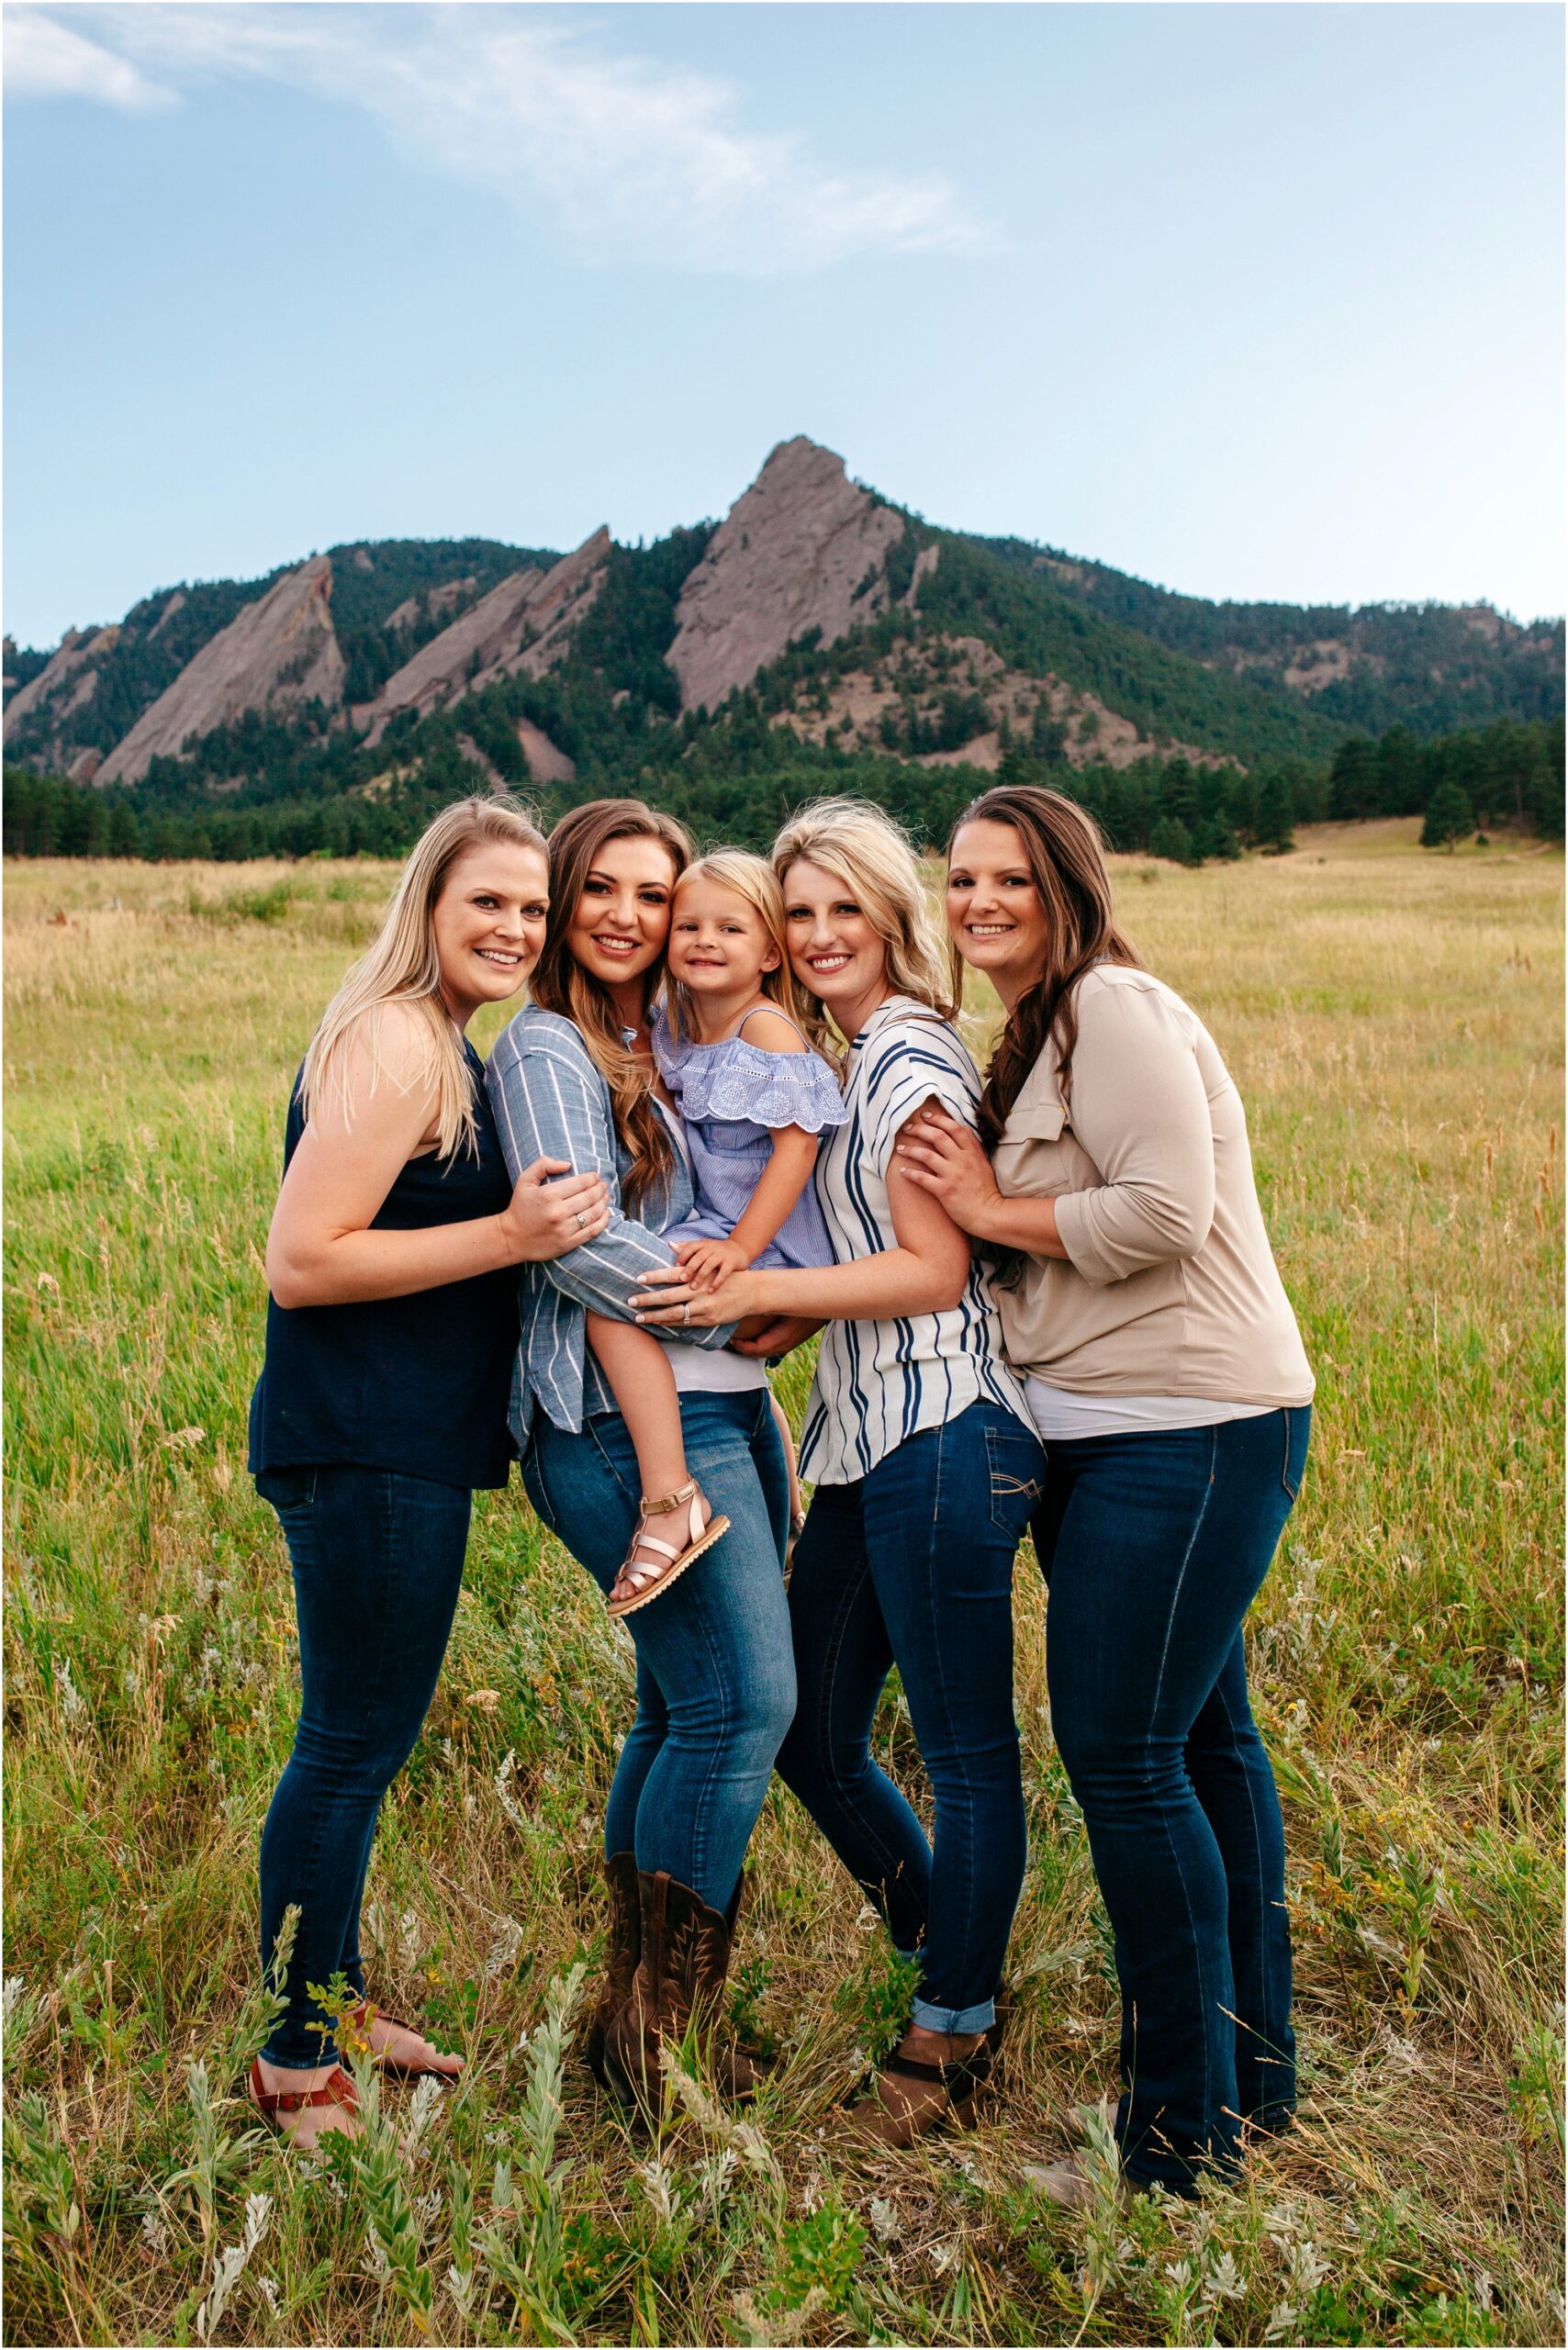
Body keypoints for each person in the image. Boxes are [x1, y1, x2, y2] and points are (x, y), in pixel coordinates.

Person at [898, 781, 1316, 2200]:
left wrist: (983, 1211)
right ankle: (1252, 2086)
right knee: (1202, 1750)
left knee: (1124, 1761)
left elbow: (1162, 1213)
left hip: (1187, 1428)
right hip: (1109, 1434)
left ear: (1069, 885)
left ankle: (1175, 2144)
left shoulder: (1111, 1010)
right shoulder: (1028, 1037)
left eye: (1008, 878)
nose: (979, 903)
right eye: (960, 881)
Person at [632, 800, 1046, 2147]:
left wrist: (752, 1283)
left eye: (839, 912)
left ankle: (956, 2024)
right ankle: (948, 1939)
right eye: (795, 914)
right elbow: (854, 1255)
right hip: (863, 1450)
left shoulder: (911, 1054)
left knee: (968, 1754)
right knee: (808, 1733)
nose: (814, 937)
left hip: (947, 1434)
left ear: (890, 918)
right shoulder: (843, 1053)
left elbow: (934, 1270)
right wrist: (793, 1304)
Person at [246, 795, 611, 2149]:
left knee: (365, 1747)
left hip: (391, 1445)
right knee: (345, 1753)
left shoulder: (438, 1041)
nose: (515, 929)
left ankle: (331, 2005)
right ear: (430, 908)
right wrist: (513, 1234)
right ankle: (295, 2057)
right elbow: (303, 1256)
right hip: (364, 1446)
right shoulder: (401, 1041)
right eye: (489, 906)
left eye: (533, 909)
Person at [484, 800, 799, 2108]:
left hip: (705, 1403)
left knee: (680, 1706)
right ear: (561, 901)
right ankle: (659, 2049)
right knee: (742, 1707)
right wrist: (730, 1300)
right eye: (599, 888)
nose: (626, 914)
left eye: (652, 893)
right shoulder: (551, 1043)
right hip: (613, 1424)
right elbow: (574, 1237)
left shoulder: (646, 1035)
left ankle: (632, 2014)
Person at [586, 849, 846, 1617]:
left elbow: (797, 1149)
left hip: (766, 1233)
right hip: (720, 1219)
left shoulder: (764, 1030)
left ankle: (671, 1498)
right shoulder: (676, 1022)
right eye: (690, 924)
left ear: (770, 952)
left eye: (731, 928)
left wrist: (740, 1251)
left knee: (616, 1294)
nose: (705, 939)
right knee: (704, 1333)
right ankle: (780, 1478)